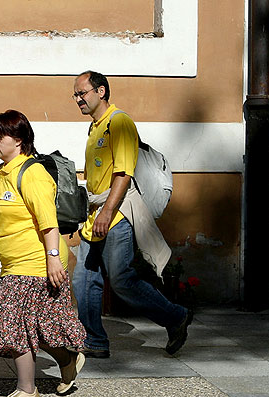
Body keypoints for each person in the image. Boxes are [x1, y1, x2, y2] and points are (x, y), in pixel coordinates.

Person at [0, 110, 87, 397]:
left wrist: (52, 259)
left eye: (0, 137)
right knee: (42, 328)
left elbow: (48, 222)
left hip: (37, 263)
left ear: (19, 140)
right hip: (14, 265)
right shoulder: (1, 174)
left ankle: (27, 389)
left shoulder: (32, 173)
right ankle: (69, 360)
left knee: (13, 324)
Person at [71, 70, 192, 358]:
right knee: (83, 279)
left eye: (82, 93)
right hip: (96, 214)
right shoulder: (95, 128)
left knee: (122, 280)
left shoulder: (119, 122)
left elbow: (123, 174)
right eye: (75, 95)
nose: (78, 99)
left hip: (117, 215)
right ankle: (95, 341)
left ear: (101, 91)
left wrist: (107, 212)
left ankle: (176, 317)